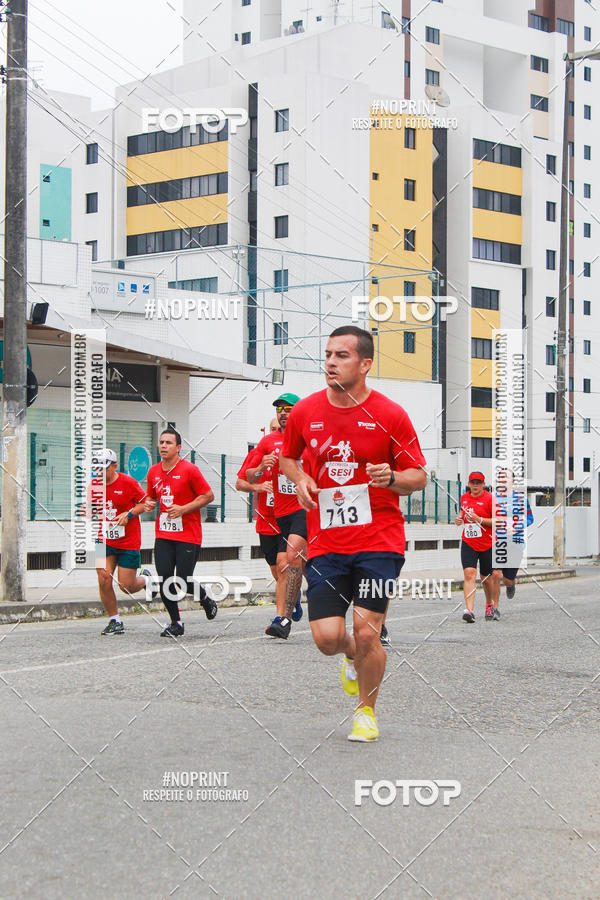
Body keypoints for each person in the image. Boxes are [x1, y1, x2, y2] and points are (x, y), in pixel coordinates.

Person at [279, 326, 427, 742]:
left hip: (379, 540)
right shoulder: (306, 411)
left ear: (365, 364)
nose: (330, 362)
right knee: (329, 638)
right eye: (327, 354)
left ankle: (366, 711)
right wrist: (302, 477)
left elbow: (419, 476)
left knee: (367, 629)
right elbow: (288, 458)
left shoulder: (390, 414)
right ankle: (351, 656)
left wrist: (393, 477)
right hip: (326, 542)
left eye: (341, 355)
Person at [144, 428, 216, 637]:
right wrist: (149, 504)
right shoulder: (153, 471)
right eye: (161, 442)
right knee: (166, 579)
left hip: (188, 534)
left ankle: (204, 598)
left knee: (183, 580)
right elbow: (151, 497)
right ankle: (176, 622)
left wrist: (183, 509)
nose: (163, 446)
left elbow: (208, 495)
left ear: (178, 448)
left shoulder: (189, 470)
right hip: (164, 534)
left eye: (168, 443)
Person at [245, 395, 306, 639]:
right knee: (282, 568)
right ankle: (286, 610)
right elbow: (247, 477)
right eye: (280, 409)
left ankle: (283, 619)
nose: (283, 413)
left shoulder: (308, 440)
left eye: (288, 409)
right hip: (278, 515)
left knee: (288, 560)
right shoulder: (267, 442)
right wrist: (260, 467)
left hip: (303, 508)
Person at [85, 448, 150, 635]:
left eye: (103, 468)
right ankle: (114, 620)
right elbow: (93, 509)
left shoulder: (128, 482)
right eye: (96, 468)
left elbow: (145, 503)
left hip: (128, 540)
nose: (99, 473)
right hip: (103, 538)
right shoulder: (93, 486)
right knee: (103, 577)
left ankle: (146, 578)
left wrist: (128, 514)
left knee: (126, 587)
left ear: (114, 466)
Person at [455, 472, 499, 622]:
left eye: (478, 483)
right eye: (472, 482)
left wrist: (479, 519)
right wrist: (459, 519)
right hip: (469, 542)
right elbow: (462, 512)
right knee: (469, 574)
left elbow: (498, 521)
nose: (475, 485)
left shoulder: (490, 499)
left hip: (487, 543)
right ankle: (469, 610)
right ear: (468, 484)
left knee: (486, 579)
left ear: (483, 484)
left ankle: (489, 604)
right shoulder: (464, 497)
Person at [492, 468, 533, 611]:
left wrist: (516, 528)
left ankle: (511, 584)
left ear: (513, 482)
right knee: (495, 574)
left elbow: (530, 518)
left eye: (506, 478)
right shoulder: (492, 498)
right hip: (498, 542)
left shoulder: (521, 499)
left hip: (515, 542)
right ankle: (494, 608)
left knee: (507, 579)